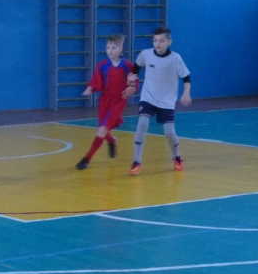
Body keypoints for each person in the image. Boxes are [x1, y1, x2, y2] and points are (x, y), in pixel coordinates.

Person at [128, 26, 191, 176]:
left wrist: (186, 93)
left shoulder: (175, 58)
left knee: (169, 132)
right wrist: (131, 81)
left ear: (169, 42)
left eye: (162, 41)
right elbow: (136, 67)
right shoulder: (146, 54)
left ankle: (177, 156)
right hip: (148, 98)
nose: (158, 43)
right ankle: (137, 161)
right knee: (142, 124)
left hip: (167, 101)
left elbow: (186, 78)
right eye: (155, 40)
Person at [76, 34, 137, 170]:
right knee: (102, 129)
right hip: (105, 100)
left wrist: (132, 87)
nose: (110, 50)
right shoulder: (102, 65)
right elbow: (96, 80)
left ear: (120, 49)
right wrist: (89, 89)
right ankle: (111, 140)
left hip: (119, 101)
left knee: (102, 129)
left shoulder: (127, 65)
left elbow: (134, 80)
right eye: (108, 47)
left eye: (114, 48)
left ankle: (86, 159)